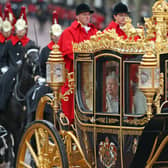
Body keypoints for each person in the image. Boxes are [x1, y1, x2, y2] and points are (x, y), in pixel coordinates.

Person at [58, 3, 97, 124]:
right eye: (84, 15)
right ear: (78, 16)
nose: (87, 17)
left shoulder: (94, 31)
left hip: (92, 74)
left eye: (88, 15)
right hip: (74, 76)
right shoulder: (68, 32)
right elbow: (69, 52)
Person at [1, 6, 35, 71]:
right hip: (10, 71)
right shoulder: (9, 43)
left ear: (25, 30)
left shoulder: (30, 43)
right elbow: (3, 58)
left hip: (25, 72)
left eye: (22, 30)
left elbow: (34, 60)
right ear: (15, 29)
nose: (20, 31)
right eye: (18, 29)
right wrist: (4, 68)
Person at [39, 10, 62, 78]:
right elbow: (41, 67)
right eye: (54, 35)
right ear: (51, 35)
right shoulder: (45, 50)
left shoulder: (66, 48)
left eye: (58, 35)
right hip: (48, 80)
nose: (57, 37)